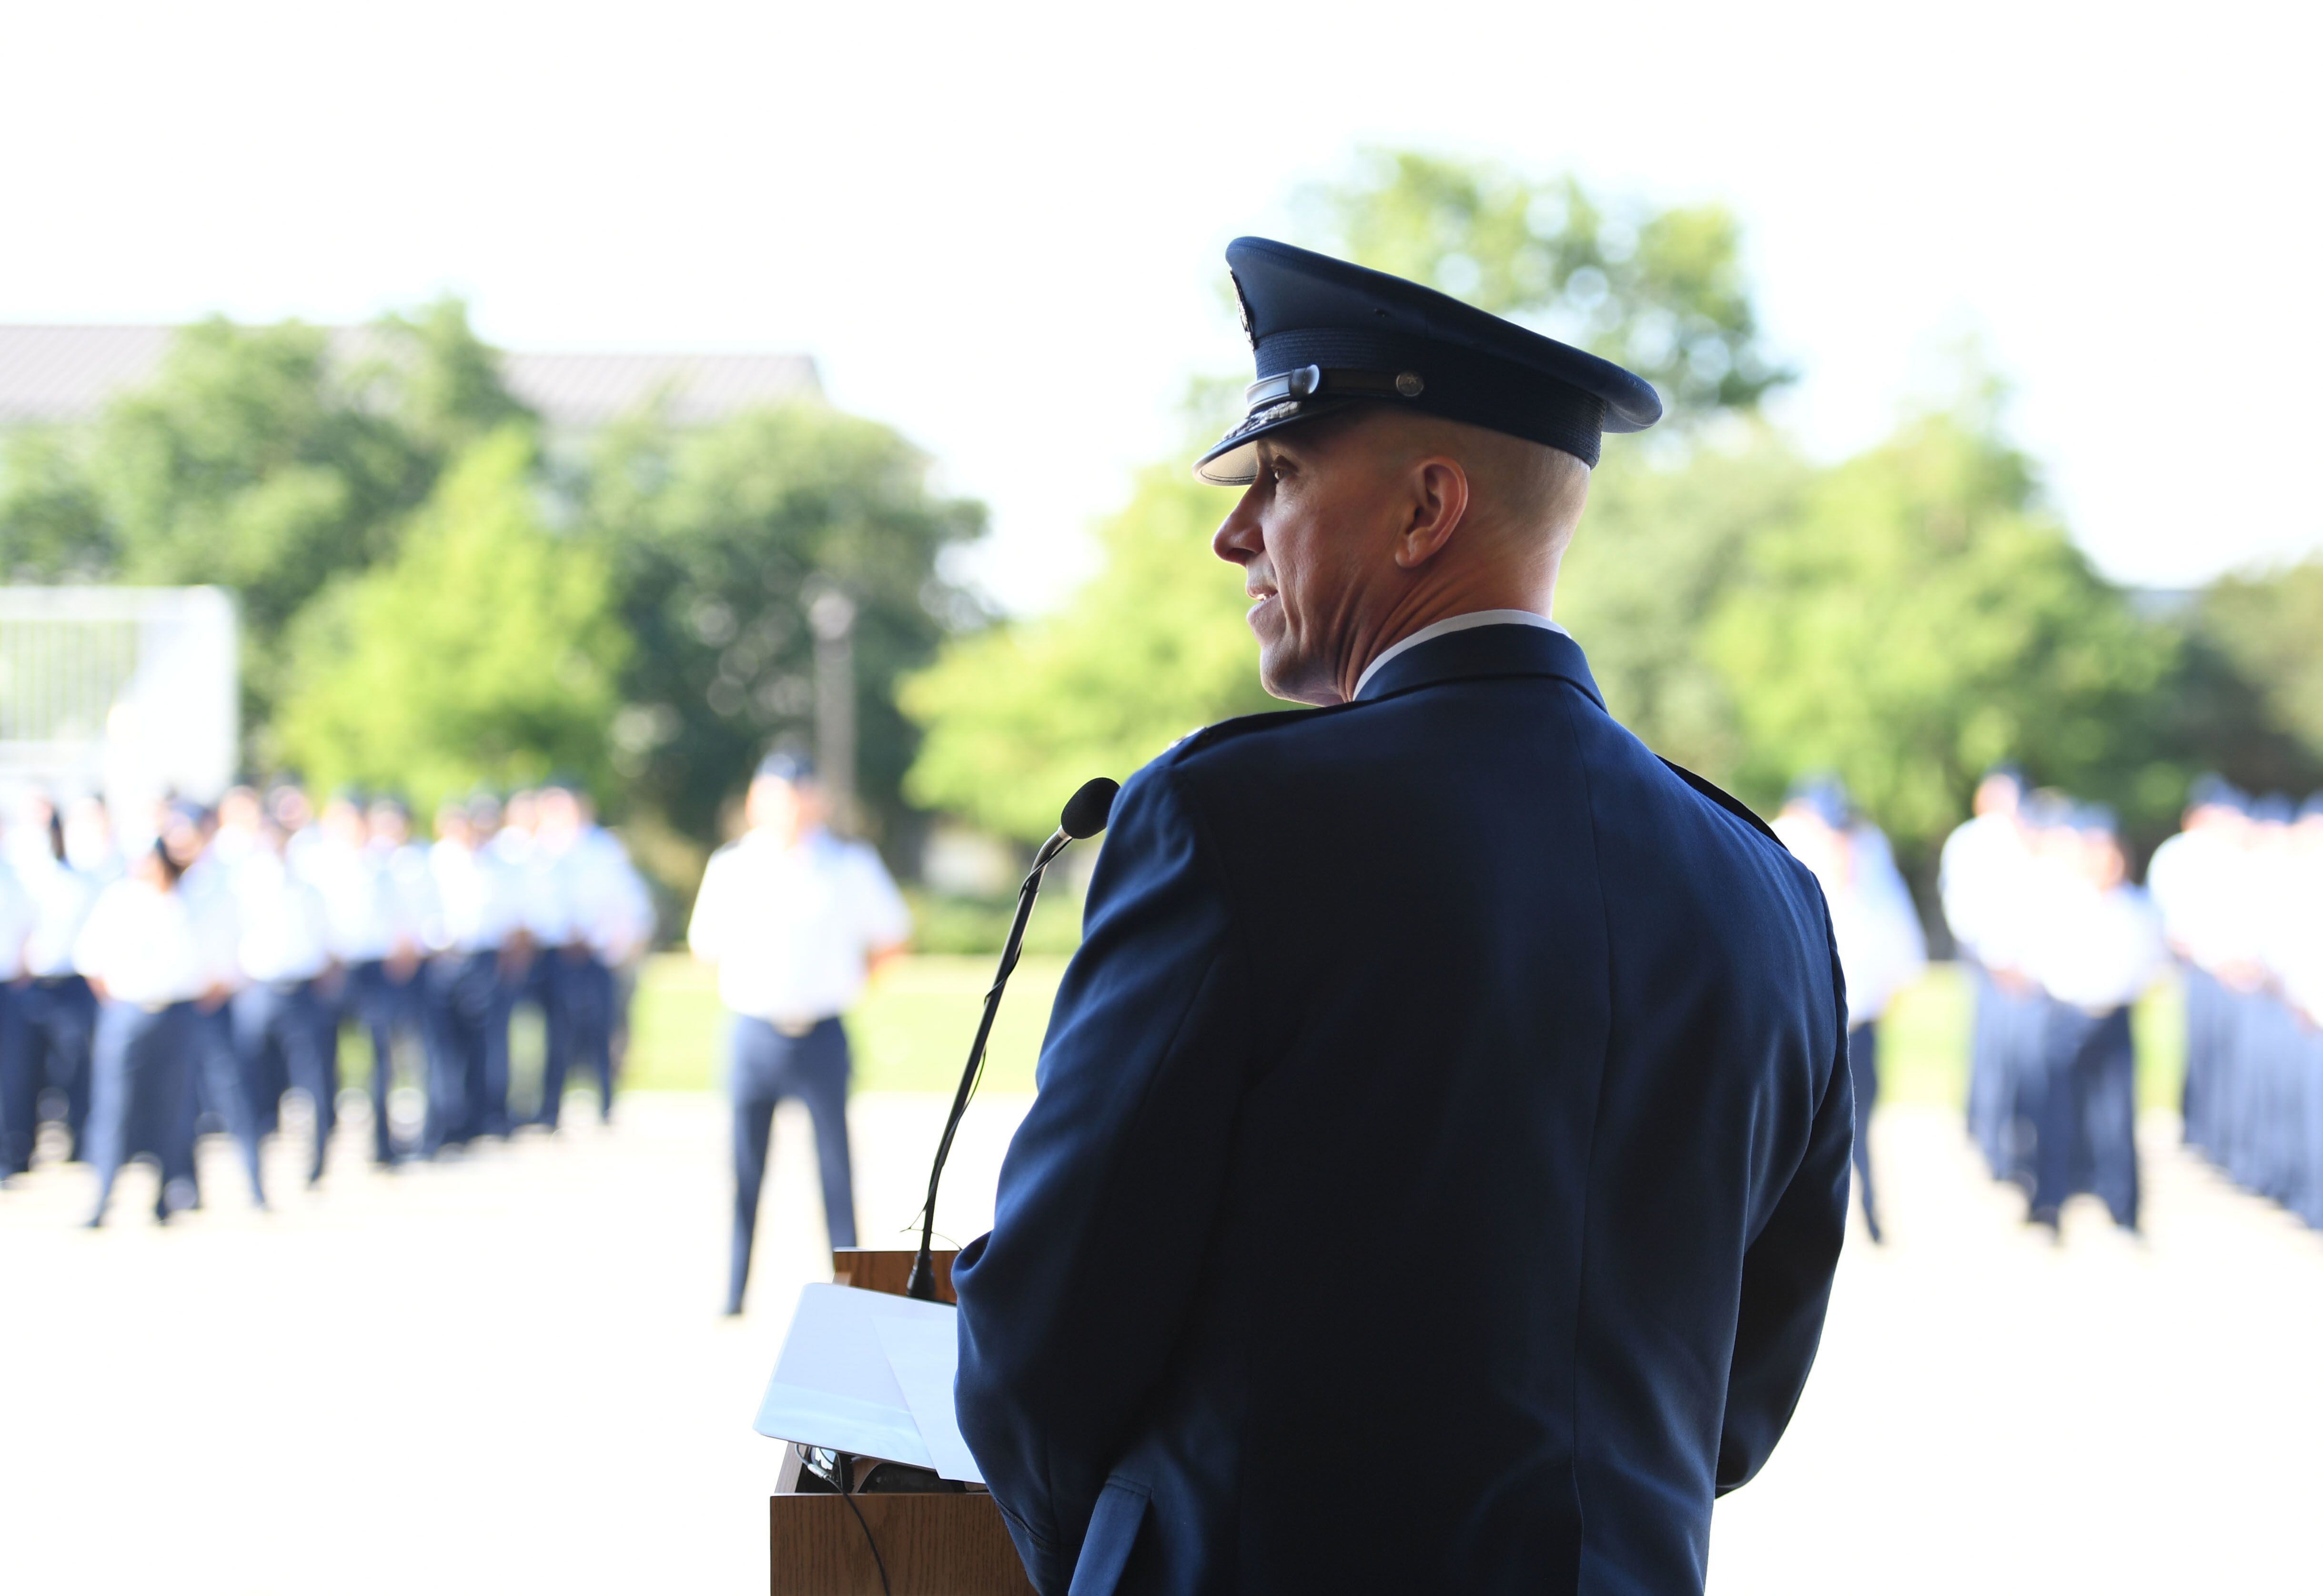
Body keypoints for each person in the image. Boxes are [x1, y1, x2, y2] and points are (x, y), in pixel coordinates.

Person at [951, 239, 1849, 1596]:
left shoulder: (1233, 824)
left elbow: (1039, 1334)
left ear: (1427, 507)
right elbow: (1737, 1393)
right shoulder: (1764, 887)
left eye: (1280, 475)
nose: (1233, 532)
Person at [688, 753, 909, 1317]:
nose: (786, 807)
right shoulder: (732, 865)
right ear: (754, 802)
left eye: (797, 793)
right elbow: (703, 945)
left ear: (817, 800)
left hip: (821, 1033)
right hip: (753, 1031)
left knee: (837, 1168)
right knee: (743, 1168)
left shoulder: (849, 864)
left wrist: (843, 983)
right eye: (774, 794)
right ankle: (733, 1295)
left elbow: (891, 939)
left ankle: (859, 1293)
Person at [1774, 780, 1926, 1243]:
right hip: (1809, 1030)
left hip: (1859, 1029)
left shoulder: (1878, 896)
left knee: (1858, 1129)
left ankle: (1868, 1215)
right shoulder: (1798, 885)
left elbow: (1904, 965)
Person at [2019, 807, 2161, 1231]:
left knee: (2118, 1119)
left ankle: (2123, 1207)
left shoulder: (2137, 908)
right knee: (2057, 1114)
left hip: (2115, 1018)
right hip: (2069, 1019)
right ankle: (2051, 1201)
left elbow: (2151, 966)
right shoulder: (2062, 902)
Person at [75, 839, 205, 1226]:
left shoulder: (190, 900)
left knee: (173, 1108)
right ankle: (102, 1199)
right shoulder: (119, 901)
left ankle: (166, 1197)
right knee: (114, 1109)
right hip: (129, 1011)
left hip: (176, 1012)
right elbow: (91, 959)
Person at [533, 782, 652, 1128]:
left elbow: (624, 901)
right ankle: (550, 1107)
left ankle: (605, 1103)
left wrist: (614, 941)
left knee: (601, 1030)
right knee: (556, 1035)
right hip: (555, 952)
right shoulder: (537, 850)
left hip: (595, 951)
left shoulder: (603, 848)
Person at [229, 815, 339, 1188]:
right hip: (259, 990)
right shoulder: (242, 886)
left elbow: (327, 944)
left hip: (301, 990)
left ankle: (318, 1162)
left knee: (315, 1082)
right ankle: (255, 1172)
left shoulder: (308, 890)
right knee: (253, 1083)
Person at [8, 796, 101, 1168]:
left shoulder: (78, 879)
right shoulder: (15, 877)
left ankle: (80, 1146)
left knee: (76, 1069)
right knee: (20, 1074)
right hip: (24, 985)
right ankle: (18, 1152)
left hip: (70, 983)